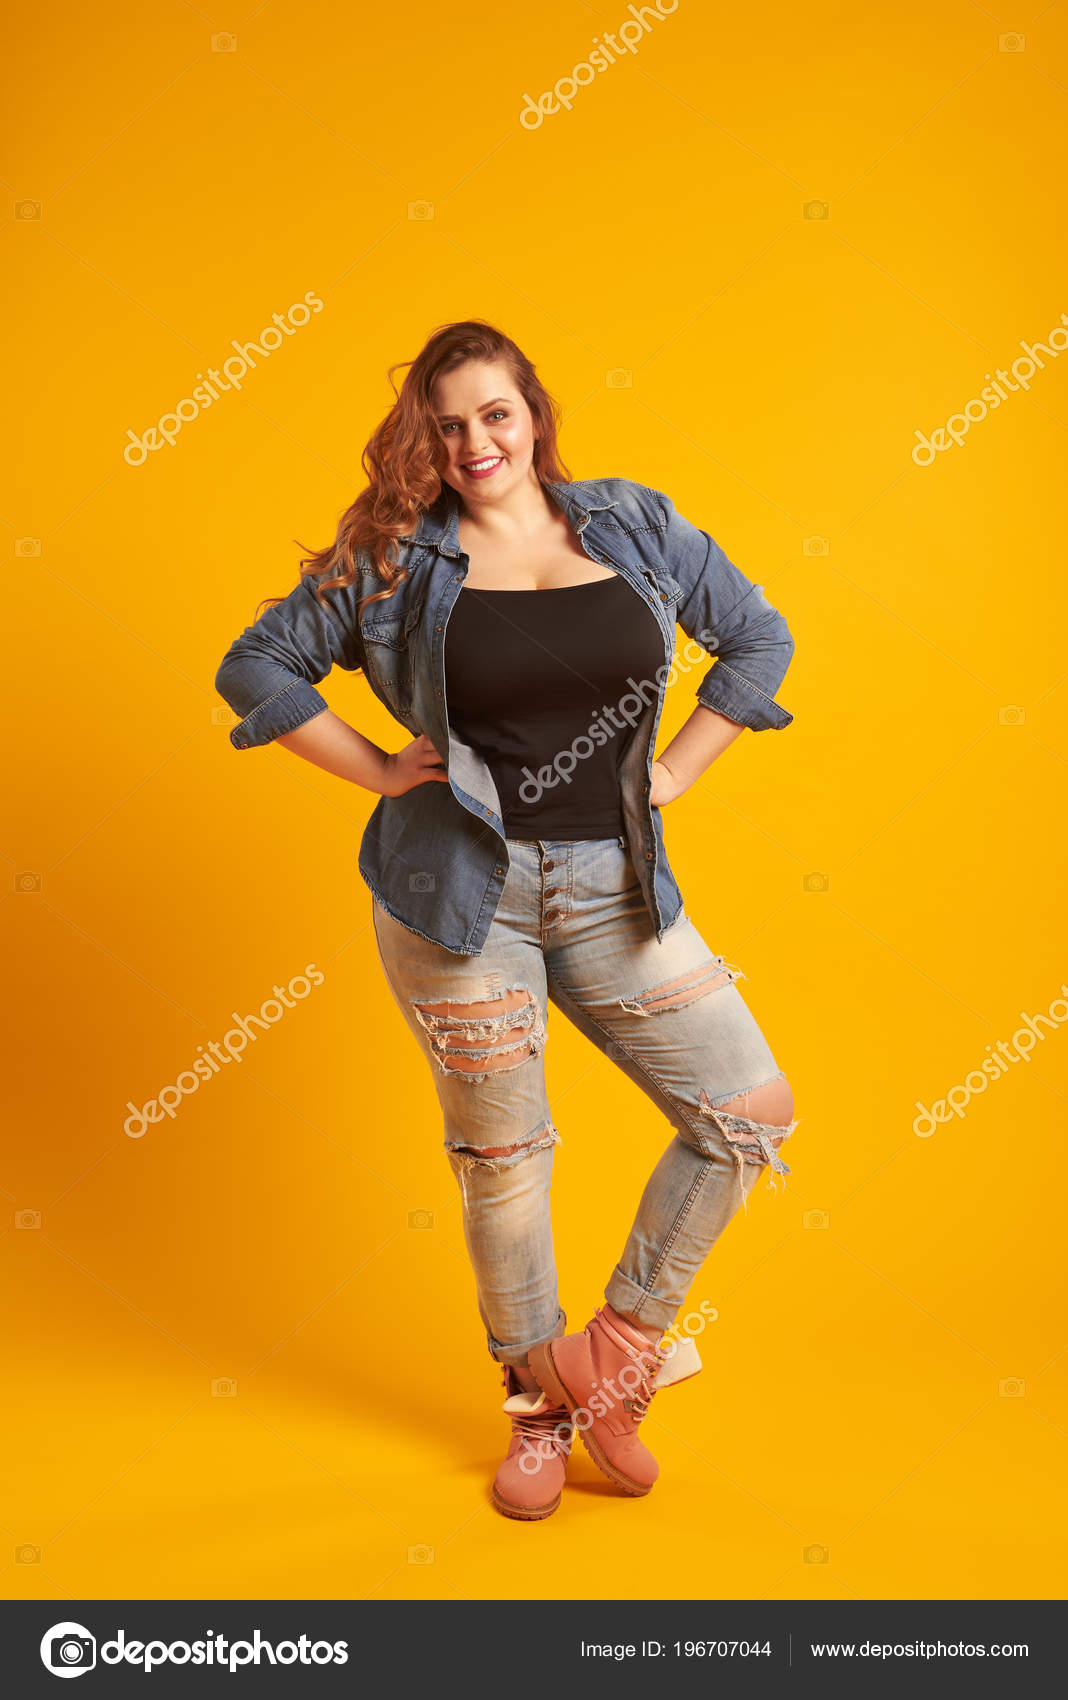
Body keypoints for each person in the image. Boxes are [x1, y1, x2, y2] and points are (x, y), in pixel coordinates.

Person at [215, 318, 799, 1521]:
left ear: (534, 413)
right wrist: (381, 766)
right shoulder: (393, 561)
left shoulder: (632, 523)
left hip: (613, 888)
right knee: (504, 1165)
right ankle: (539, 1409)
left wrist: (680, 770)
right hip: (458, 899)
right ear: (424, 438)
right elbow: (257, 667)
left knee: (745, 1110)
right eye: (448, 423)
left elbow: (755, 634)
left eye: (495, 413)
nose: (475, 441)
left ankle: (615, 1359)